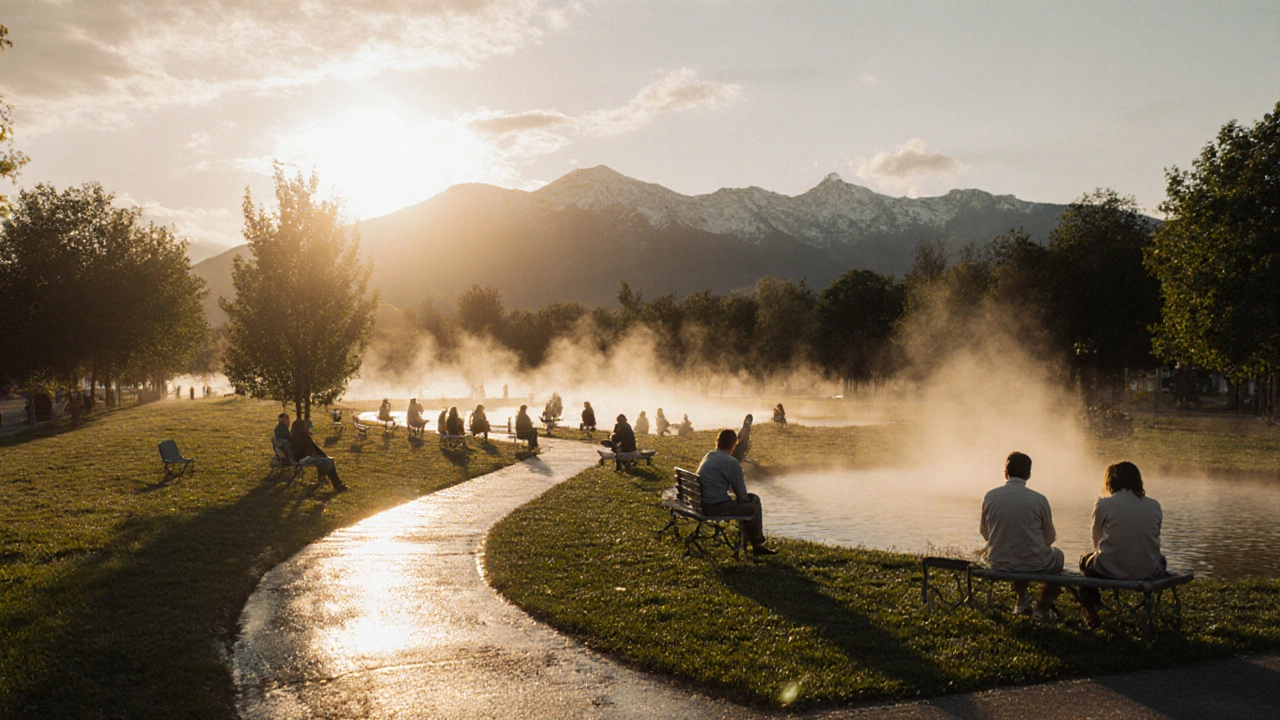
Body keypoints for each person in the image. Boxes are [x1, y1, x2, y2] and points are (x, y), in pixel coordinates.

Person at [1078, 461, 1167, 628]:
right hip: (1149, 568)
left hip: (1110, 568)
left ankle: (1091, 613)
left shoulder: (1104, 504)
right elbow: (1154, 536)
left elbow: (1096, 540)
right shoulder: (1154, 505)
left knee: (1085, 561)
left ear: (1110, 482)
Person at [980, 451, 1063, 620]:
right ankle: (1042, 606)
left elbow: (985, 532)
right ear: (1028, 475)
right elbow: (1050, 537)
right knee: (1057, 555)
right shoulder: (1039, 500)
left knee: (1013, 546)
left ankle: (1022, 598)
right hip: (1033, 562)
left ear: (1005, 473)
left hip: (999, 561)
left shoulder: (990, 496)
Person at [697, 429, 776, 556]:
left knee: (752, 500)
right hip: (714, 508)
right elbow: (742, 497)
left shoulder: (709, 456)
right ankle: (757, 543)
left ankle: (755, 544)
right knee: (752, 505)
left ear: (717, 442)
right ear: (734, 445)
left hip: (702, 503)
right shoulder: (732, 463)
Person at [288, 414, 348, 491]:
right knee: (328, 461)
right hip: (304, 459)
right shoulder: (303, 436)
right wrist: (322, 455)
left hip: (299, 458)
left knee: (324, 460)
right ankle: (336, 484)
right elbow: (312, 449)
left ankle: (327, 479)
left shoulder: (294, 435)